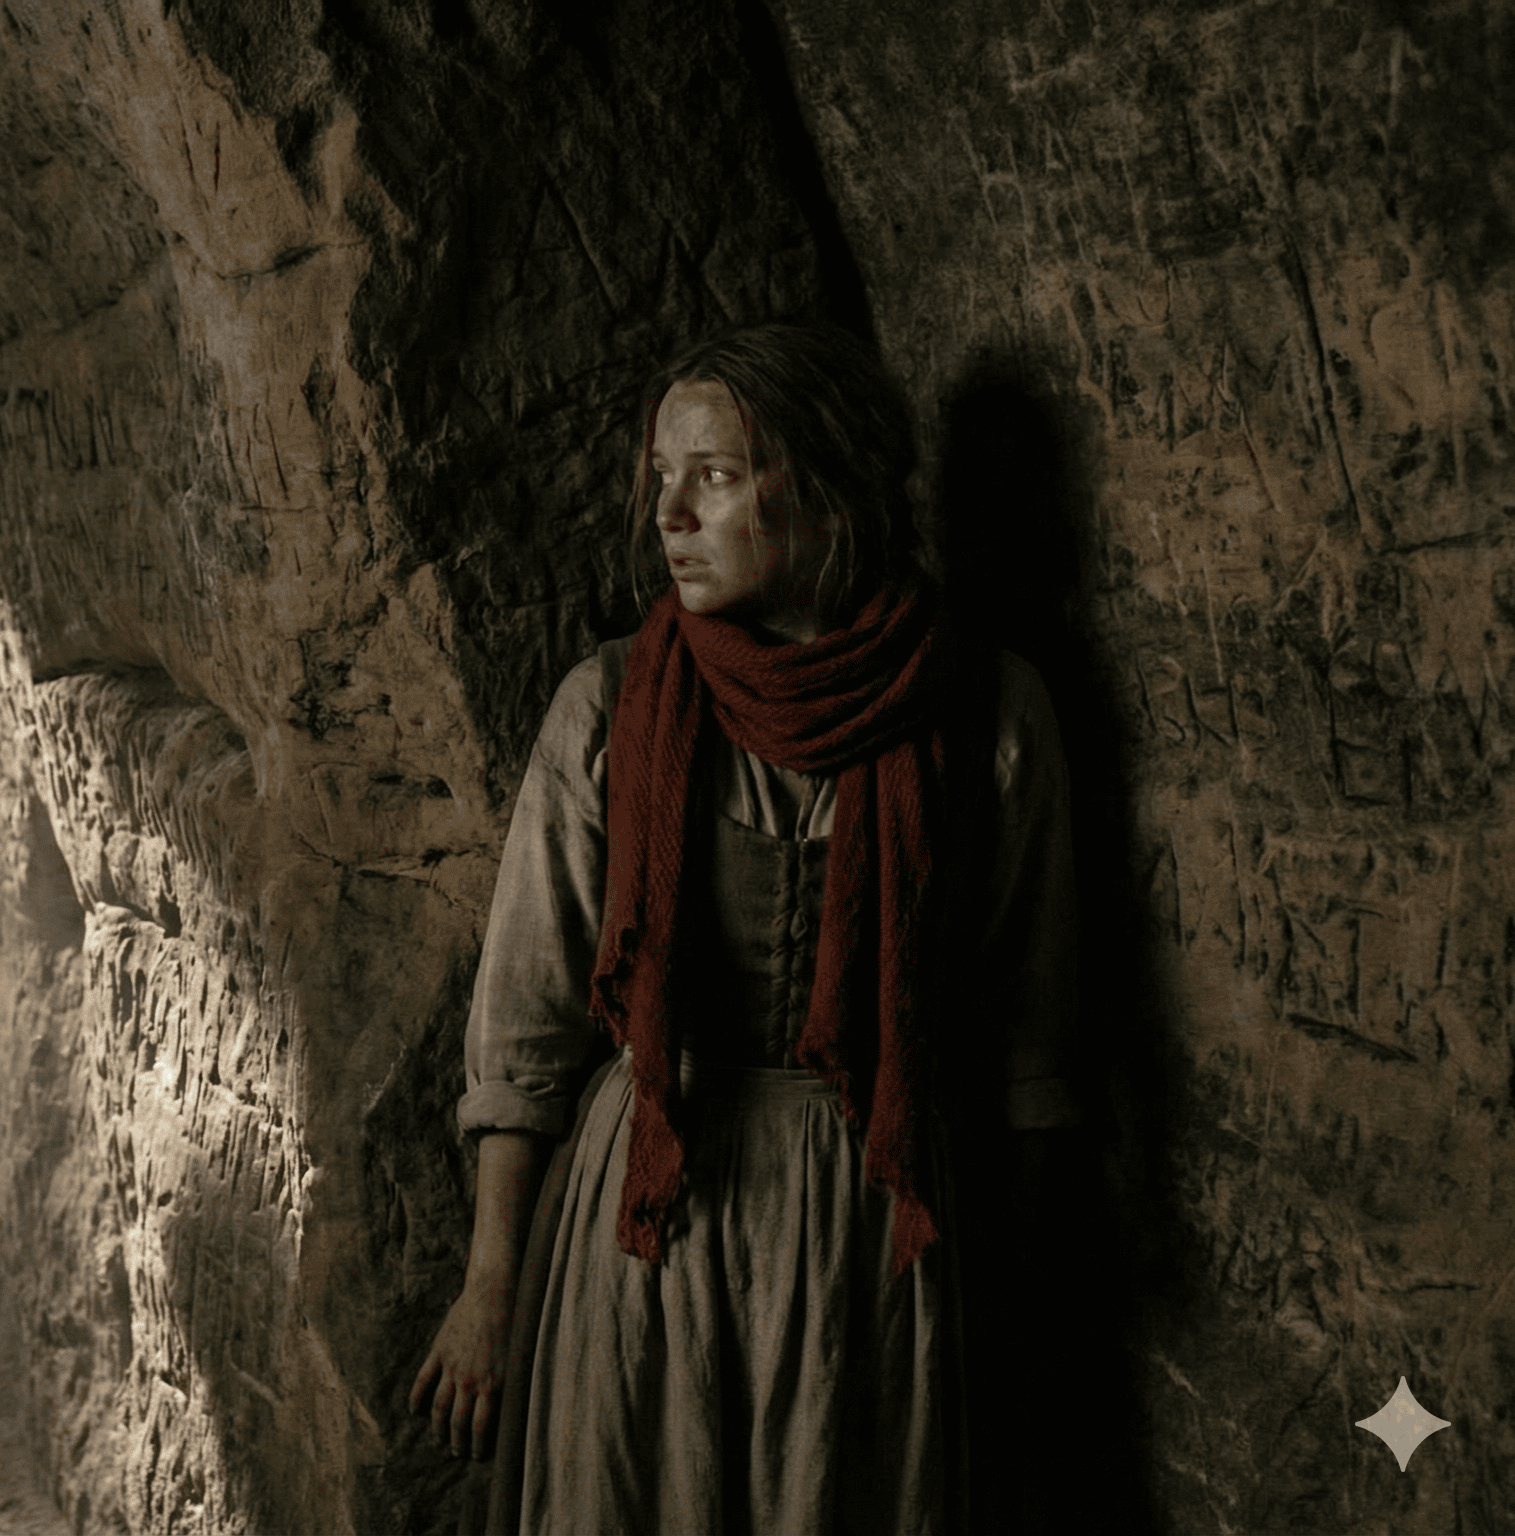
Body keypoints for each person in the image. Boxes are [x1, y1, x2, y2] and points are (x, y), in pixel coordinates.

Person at [408, 321, 1076, 1534]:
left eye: (712, 477)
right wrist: (489, 1286)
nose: (669, 516)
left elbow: (1026, 1044)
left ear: (824, 482)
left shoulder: (982, 712)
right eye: (661, 476)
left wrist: (1006, 1312)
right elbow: (522, 1037)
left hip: (871, 1235)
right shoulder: (612, 705)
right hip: (653, 1215)